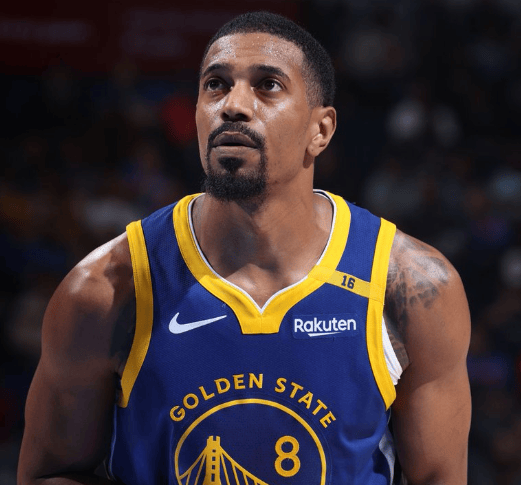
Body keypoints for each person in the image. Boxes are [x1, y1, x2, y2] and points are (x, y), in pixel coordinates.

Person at [18, 11, 471, 485]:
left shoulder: (412, 287)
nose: (233, 105)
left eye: (268, 85)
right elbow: (48, 474)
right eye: (215, 85)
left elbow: (439, 476)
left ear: (320, 130)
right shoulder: (107, 289)